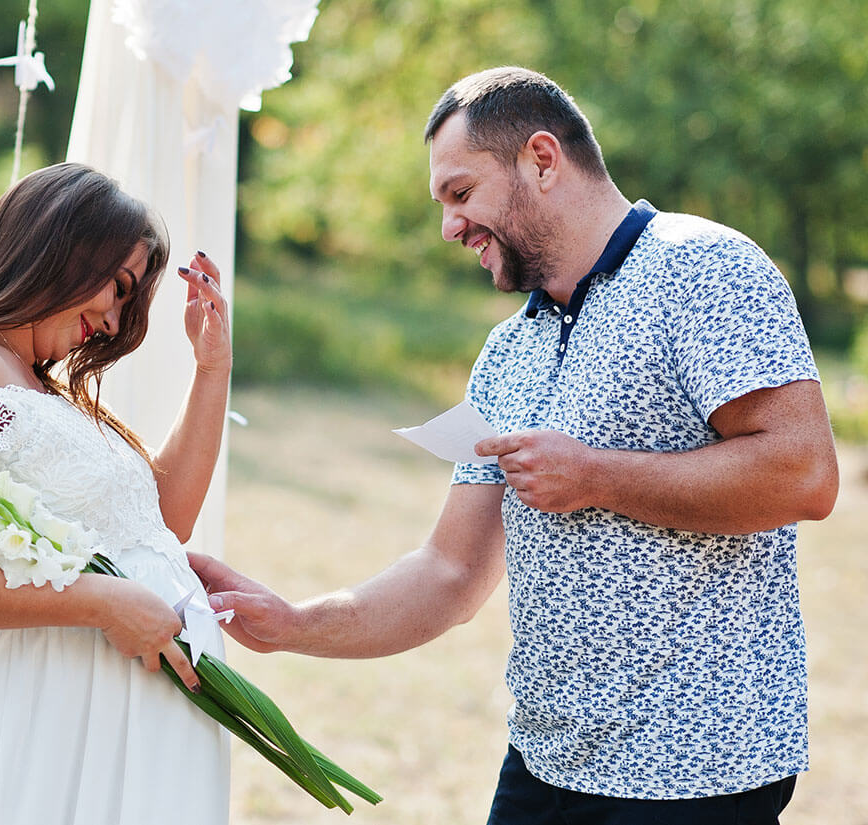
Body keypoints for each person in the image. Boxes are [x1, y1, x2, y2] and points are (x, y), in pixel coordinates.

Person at [191, 66, 838, 824]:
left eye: (461, 194)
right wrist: (292, 623)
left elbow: (803, 473)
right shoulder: (507, 351)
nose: (448, 227)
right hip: (544, 764)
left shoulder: (702, 266)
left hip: (691, 772)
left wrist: (594, 475)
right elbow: (450, 569)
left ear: (541, 158)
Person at [0, 161, 232, 825]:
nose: (115, 317)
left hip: (124, 716)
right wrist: (105, 601)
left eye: (129, 301)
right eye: (116, 288)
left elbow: (165, 520)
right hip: (47, 709)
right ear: (57, 248)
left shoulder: (40, 387)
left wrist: (211, 370)